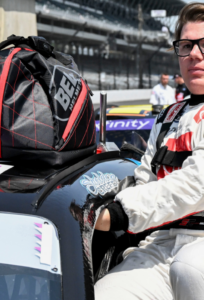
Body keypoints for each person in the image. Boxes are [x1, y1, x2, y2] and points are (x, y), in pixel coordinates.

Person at [94, 3, 204, 300]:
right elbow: (145, 178)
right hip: (159, 243)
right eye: (186, 45)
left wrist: (118, 214)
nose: (194, 54)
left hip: (198, 249)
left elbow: (197, 184)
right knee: (102, 294)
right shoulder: (169, 116)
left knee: (189, 268)